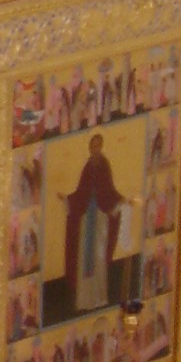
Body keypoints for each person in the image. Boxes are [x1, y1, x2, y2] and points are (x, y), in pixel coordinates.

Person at [63, 134, 130, 314]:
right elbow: (81, 192)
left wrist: (119, 200)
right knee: (84, 257)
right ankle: (84, 300)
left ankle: (99, 299)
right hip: (87, 217)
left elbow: (109, 190)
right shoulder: (87, 166)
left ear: (101, 146)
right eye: (92, 146)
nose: (94, 149)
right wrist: (68, 200)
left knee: (99, 257)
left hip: (100, 218)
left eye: (97, 145)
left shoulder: (104, 166)